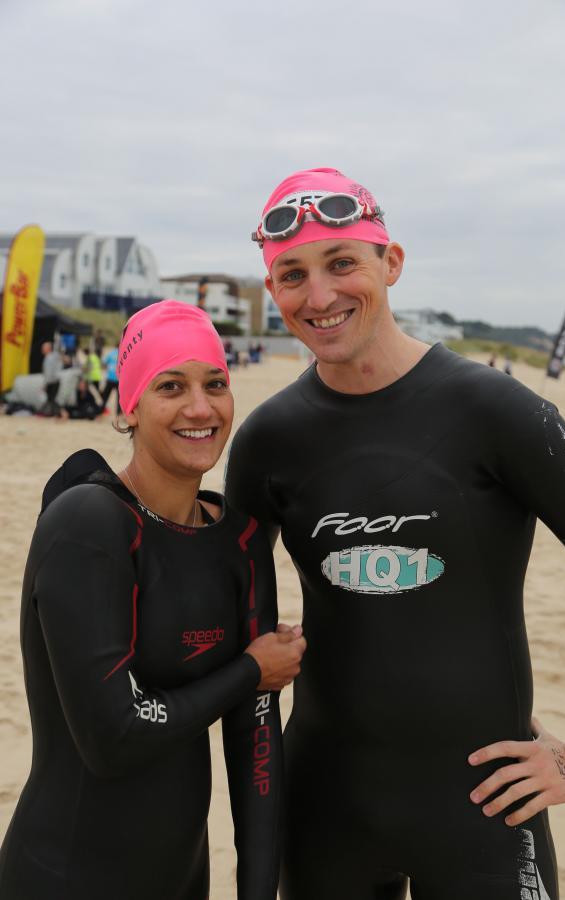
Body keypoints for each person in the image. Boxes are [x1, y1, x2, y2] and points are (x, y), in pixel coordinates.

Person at [225, 167, 565, 900]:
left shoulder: (497, 410)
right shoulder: (269, 440)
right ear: (275, 296)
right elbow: (214, 604)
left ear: (389, 263)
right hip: (324, 805)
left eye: (342, 264)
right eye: (292, 276)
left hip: (486, 811)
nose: (320, 296)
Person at [0, 300, 306, 900]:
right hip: (64, 877)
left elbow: (257, 751)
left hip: (181, 880)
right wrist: (250, 670)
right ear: (130, 406)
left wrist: (258, 893)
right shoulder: (89, 523)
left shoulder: (241, 541)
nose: (200, 407)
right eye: (172, 386)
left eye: (215, 384)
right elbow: (113, 737)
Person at [40, 340, 63, 416]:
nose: (42, 350)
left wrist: (45, 383)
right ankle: (53, 413)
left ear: (48, 349)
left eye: (43, 348)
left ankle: (58, 413)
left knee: (51, 398)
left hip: (52, 381)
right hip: (56, 380)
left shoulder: (49, 358)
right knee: (52, 398)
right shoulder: (54, 356)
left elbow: (48, 372)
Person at [101, 344, 120, 414]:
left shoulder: (111, 353)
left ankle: (101, 410)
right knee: (119, 398)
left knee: (105, 396)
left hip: (110, 378)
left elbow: (103, 362)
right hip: (118, 379)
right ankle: (118, 413)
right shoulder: (123, 353)